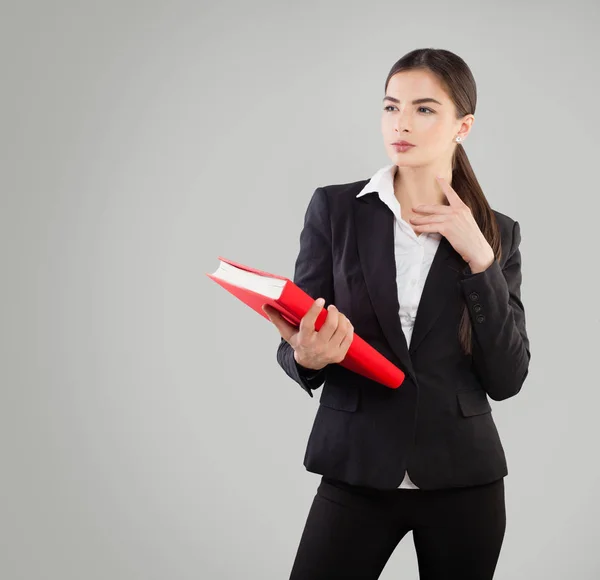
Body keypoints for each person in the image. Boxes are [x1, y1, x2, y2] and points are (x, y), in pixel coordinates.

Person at [262, 48, 531, 580]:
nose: (401, 123)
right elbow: (298, 333)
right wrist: (306, 356)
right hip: (356, 469)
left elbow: (507, 377)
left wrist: (480, 260)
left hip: (464, 480)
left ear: (464, 125)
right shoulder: (335, 209)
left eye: (424, 109)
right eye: (391, 107)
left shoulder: (496, 232)